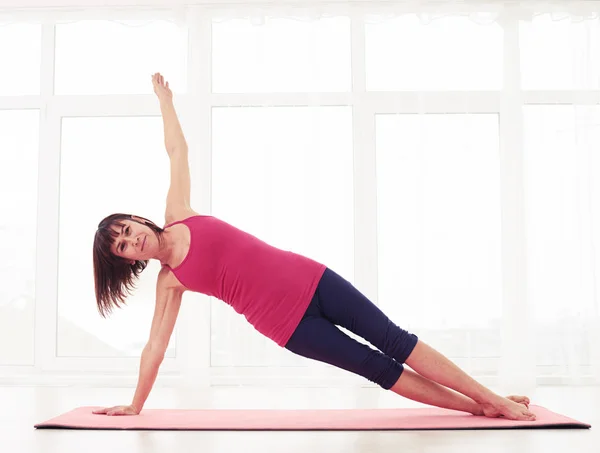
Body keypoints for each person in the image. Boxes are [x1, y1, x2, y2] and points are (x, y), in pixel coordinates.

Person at [91, 73, 536, 421]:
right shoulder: (171, 283)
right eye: (125, 247)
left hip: (313, 279)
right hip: (289, 327)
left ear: (137, 219)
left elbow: (176, 151)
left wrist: (165, 103)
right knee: (376, 368)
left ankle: (489, 396)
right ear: (129, 261)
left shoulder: (179, 212)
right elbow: (154, 348)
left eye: (128, 229)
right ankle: (482, 407)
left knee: (394, 340)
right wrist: (135, 405)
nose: (133, 240)